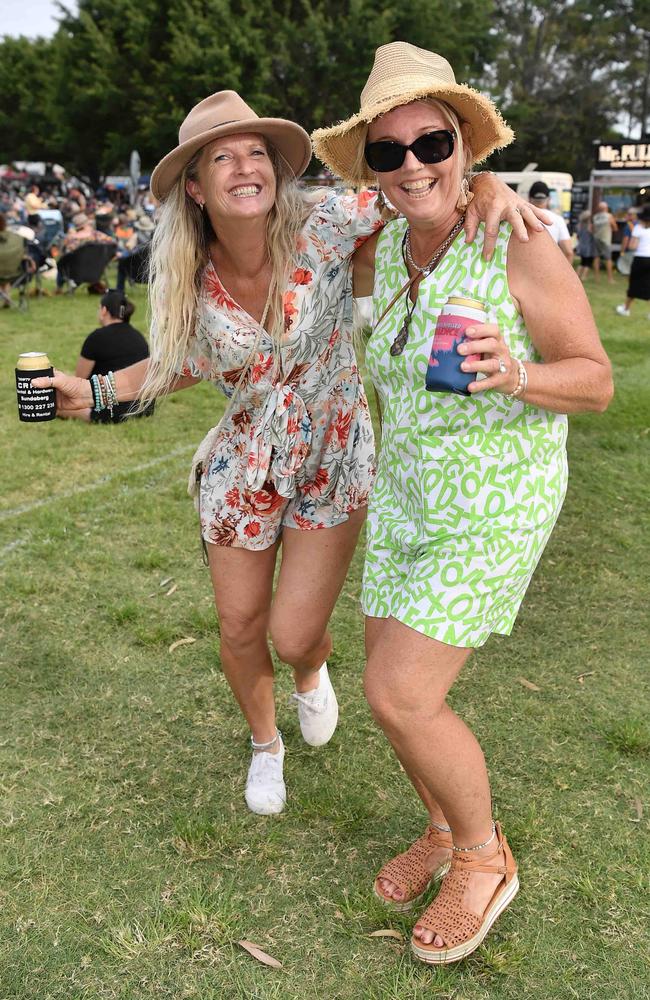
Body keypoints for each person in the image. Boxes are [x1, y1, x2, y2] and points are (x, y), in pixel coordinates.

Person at [35, 89, 546, 819]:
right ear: (196, 185)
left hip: (334, 458)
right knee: (240, 629)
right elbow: (177, 362)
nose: (245, 167)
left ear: (275, 170)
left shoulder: (328, 224)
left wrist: (486, 181)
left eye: (256, 153)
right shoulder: (186, 274)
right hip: (243, 465)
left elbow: (421, 189)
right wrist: (91, 395)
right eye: (222, 156)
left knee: (293, 631)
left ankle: (311, 668)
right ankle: (265, 744)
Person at [313, 41, 613, 965]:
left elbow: (596, 381)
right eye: (389, 152)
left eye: (432, 143)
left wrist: (516, 372)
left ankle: (485, 858)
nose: (414, 166)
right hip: (404, 498)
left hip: (494, 502)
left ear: (465, 145)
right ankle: (441, 831)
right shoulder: (386, 241)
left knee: (400, 696)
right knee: (389, 694)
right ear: (372, 168)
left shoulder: (516, 238)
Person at [58, 289, 155, 422]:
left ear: (104, 311)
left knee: (57, 404)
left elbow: (80, 379)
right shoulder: (138, 336)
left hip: (110, 410)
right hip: (143, 408)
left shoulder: (96, 338)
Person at [615, 204, 650, 316]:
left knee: (634, 283)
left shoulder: (638, 228)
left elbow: (632, 246)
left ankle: (626, 309)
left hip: (640, 258)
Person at [592, 200, 617, 283]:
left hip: (596, 238)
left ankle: (596, 278)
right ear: (606, 208)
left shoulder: (595, 217)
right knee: (608, 259)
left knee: (596, 257)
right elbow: (615, 228)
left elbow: (593, 229)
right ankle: (610, 279)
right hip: (606, 239)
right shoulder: (609, 216)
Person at [575, 209, 597, 280]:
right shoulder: (590, 226)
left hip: (581, 246)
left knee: (582, 262)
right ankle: (583, 276)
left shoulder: (579, 225)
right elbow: (594, 234)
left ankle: (577, 275)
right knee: (587, 263)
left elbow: (577, 236)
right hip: (588, 246)